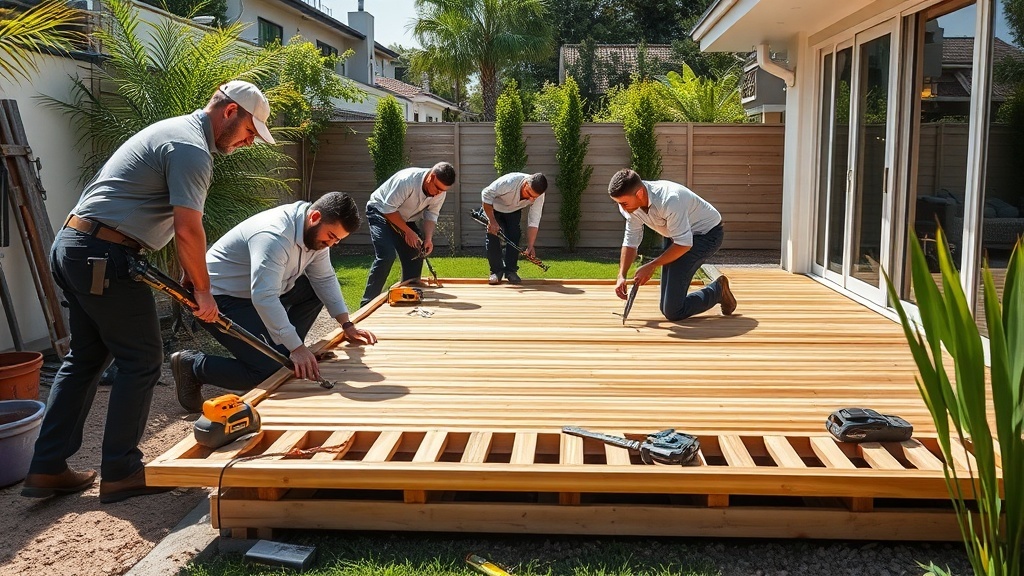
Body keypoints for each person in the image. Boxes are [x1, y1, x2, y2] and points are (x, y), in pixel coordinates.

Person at [21, 80, 274, 504]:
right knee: (141, 360)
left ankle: (47, 467)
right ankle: (122, 472)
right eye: (250, 131)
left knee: (85, 359)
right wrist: (205, 292)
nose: (249, 142)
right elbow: (188, 228)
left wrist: (192, 274)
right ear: (230, 111)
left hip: (77, 246)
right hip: (105, 255)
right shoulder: (191, 148)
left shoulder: (174, 132)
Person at [170, 192, 378, 411]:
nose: (331, 244)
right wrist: (297, 347)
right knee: (268, 370)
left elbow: (324, 278)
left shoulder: (315, 236)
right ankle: (193, 366)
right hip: (219, 299)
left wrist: (347, 324)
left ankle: (284, 351)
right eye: (331, 236)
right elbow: (264, 297)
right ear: (315, 217)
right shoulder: (275, 235)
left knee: (313, 290)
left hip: (259, 293)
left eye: (337, 240)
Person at [608, 168, 737, 321]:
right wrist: (621, 275)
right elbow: (631, 240)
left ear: (640, 194)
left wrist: (651, 265)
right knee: (666, 307)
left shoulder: (670, 199)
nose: (622, 208)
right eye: (619, 203)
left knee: (673, 311)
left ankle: (718, 291)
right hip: (677, 237)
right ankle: (714, 291)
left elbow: (684, 244)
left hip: (706, 235)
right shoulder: (631, 204)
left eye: (624, 203)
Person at [359, 162, 455, 307]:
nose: (438, 193)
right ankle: (367, 304)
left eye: (443, 190)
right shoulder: (406, 181)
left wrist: (428, 239)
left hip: (405, 218)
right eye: (437, 188)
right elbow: (388, 210)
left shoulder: (440, 192)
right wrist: (408, 232)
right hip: (380, 212)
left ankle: (408, 296)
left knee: (417, 252)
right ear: (431, 177)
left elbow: (431, 215)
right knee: (387, 255)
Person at [481, 172, 547, 285]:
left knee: (515, 235)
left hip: (513, 210)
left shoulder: (539, 195)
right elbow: (486, 194)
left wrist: (530, 246)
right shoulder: (509, 182)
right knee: (493, 236)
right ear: (525, 184)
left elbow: (534, 219)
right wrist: (492, 221)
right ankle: (496, 272)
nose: (531, 199)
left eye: (534, 198)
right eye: (529, 194)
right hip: (494, 208)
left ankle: (511, 271)